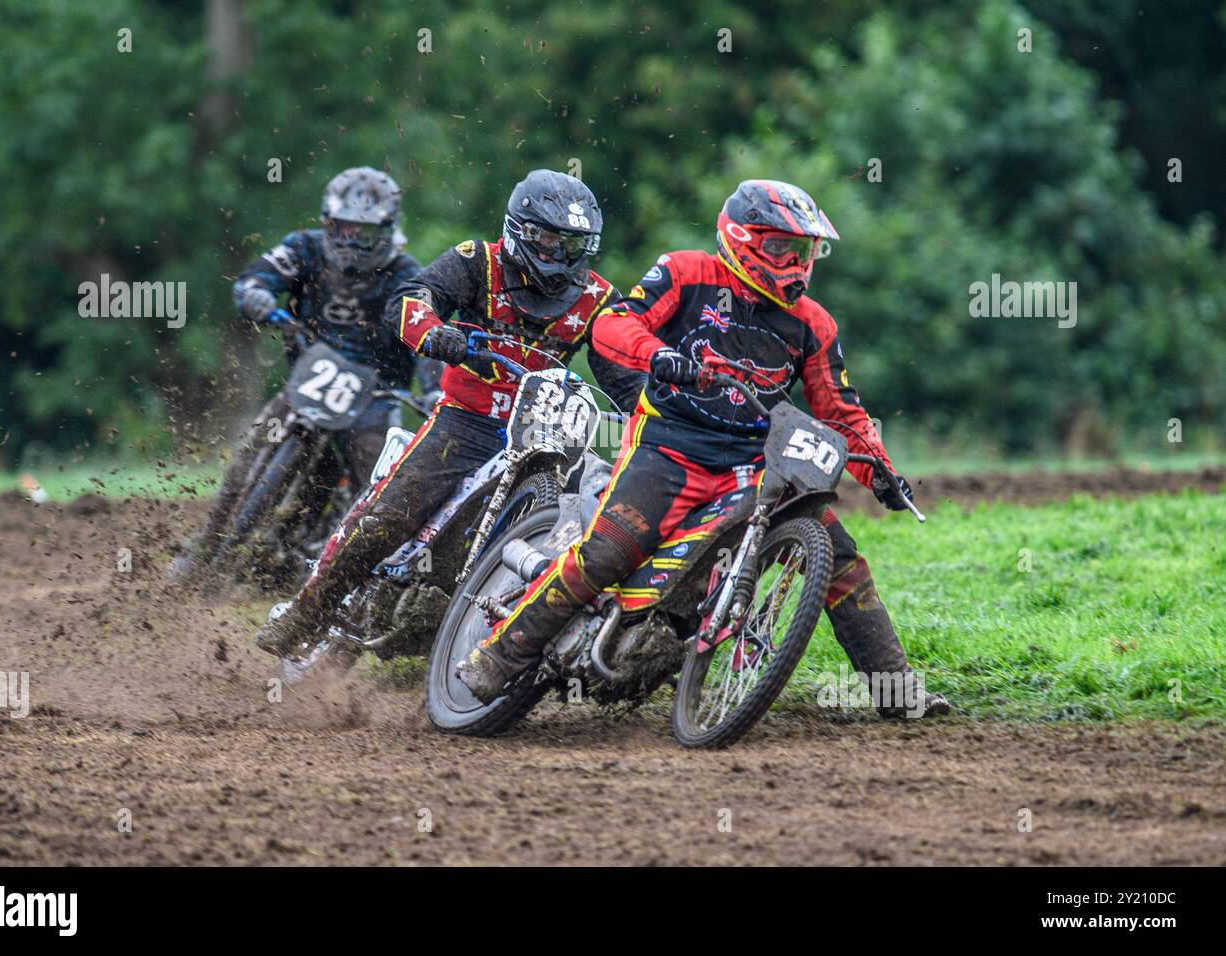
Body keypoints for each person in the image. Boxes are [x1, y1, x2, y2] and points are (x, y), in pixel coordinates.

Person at [458, 179, 949, 718]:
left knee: (842, 555)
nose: (796, 264)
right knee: (607, 553)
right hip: (669, 447)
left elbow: (840, 409)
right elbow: (614, 325)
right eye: (782, 248)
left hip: (753, 459)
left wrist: (879, 470)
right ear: (742, 239)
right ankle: (499, 656)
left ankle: (897, 691)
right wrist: (656, 356)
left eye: (804, 251)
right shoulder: (685, 273)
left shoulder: (814, 324)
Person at [255, 169, 644, 655]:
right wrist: (438, 334)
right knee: (390, 517)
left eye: (571, 244)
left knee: (585, 525)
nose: (557, 254)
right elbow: (409, 299)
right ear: (520, 230)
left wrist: (652, 416)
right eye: (547, 240)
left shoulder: (600, 301)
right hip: (466, 422)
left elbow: (625, 376)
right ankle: (306, 612)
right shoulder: (477, 262)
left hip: (545, 436)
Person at [170, 167, 429, 578]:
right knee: (252, 452)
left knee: (379, 494)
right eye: (343, 230)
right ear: (327, 224)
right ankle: (207, 545)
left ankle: (356, 580)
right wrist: (257, 296)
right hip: (311, 379)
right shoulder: (304, 249)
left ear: (387, 230)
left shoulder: (408, 275)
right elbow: (256, 277)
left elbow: (427, 333)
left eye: (363, 234)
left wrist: (432, 390)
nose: (351, 243)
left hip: (374, 399)